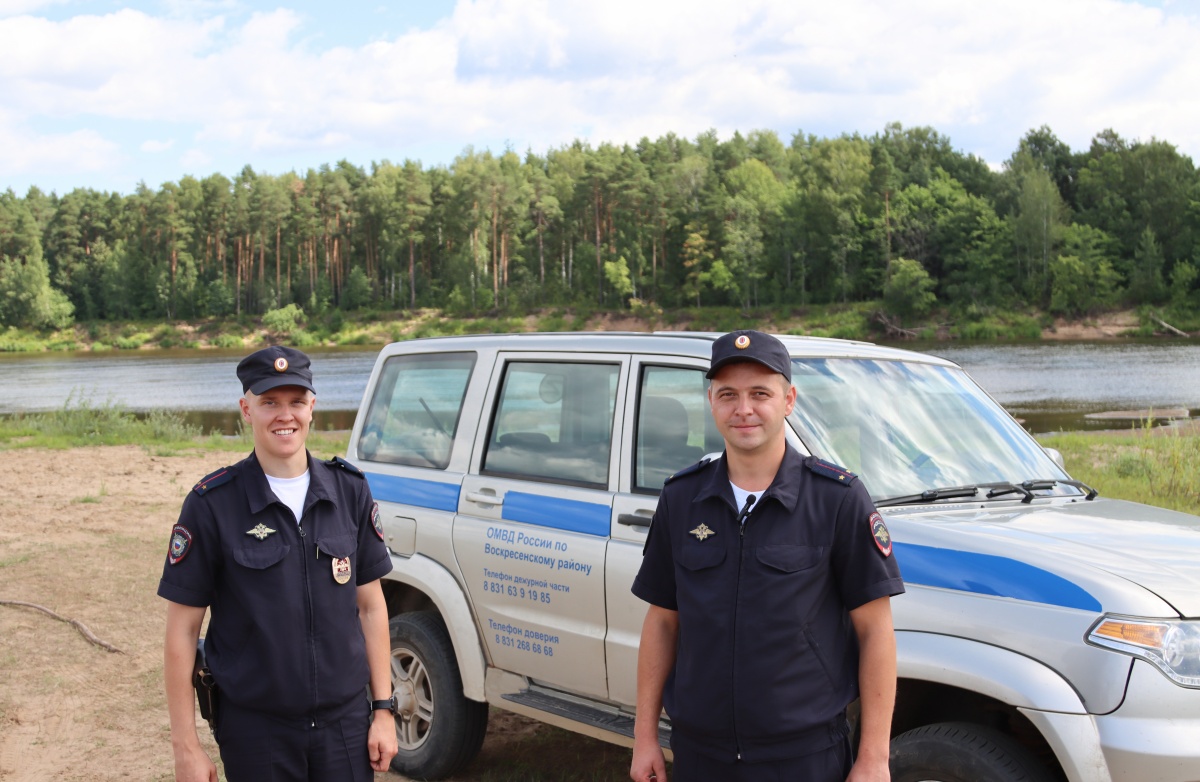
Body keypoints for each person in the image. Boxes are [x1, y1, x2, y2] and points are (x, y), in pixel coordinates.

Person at [629, 330, 905, 782]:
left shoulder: (837, 499)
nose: (744, 409)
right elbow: (662, 620)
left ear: (789, 399)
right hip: (701, 755)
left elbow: (876, 632)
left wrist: (874, 758)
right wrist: (644, 737)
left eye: (760, 393)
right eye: (728, 395)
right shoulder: (682, 498)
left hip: (805, 757)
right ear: (711, 402)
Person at [158, 345, 398, 782]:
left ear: (312, 408)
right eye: (269, 402)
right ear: (245, 408)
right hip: (256, 730)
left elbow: (371, 606)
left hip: (345, 724)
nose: (283, 415)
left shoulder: (349, 492)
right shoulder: (212, 505)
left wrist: (383, 709)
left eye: (295, 402)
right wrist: (186, 746)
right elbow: (182, 630)